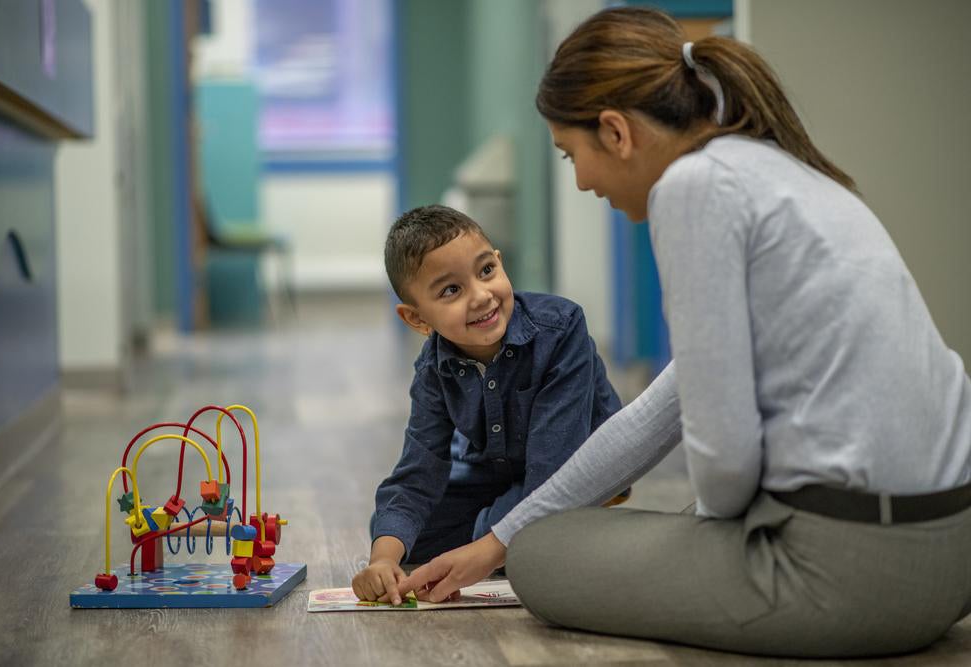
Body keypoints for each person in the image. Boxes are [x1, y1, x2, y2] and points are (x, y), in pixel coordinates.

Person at [398, 6, 971, 658]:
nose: (582, 181)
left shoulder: (694, 188)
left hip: (847, 579)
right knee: (534, 535)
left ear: (614, 131)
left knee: (543, 555)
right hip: (955, 559)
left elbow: (725, 474)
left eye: (571, 154)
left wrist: (522, 545)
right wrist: (495, 538)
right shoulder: (783, 168)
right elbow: (656, 412)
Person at [352, 204, 622, 605]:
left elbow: (554, 469)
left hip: (569, 469)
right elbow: (418, 471)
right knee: (400, 531)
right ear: (416, 318)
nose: (481, 297)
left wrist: (488, 538)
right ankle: (504, 530)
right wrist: (383, 559)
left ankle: (525, 526)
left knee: (508, 528)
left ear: (499, 262)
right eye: (450, 290)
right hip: (497, 472)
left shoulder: (561, 329)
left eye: (485, 272)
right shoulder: (433, 367)